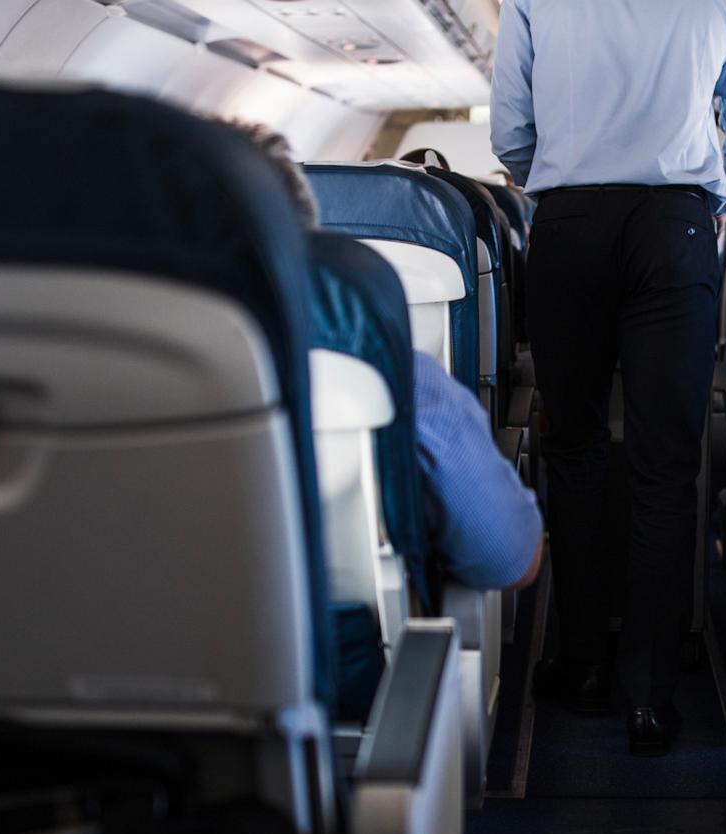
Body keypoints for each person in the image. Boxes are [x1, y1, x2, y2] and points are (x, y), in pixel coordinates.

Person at [491, 0, 726, 756]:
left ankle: (581, 663)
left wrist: (560, 185)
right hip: (674, 226)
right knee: (665, 465)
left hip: (568, 224)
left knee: (575, 447)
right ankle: (649, 697)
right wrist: (709, 201)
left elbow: (511, 130)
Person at [227, 120, 545, 719]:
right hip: (337, 681)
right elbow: (510, 559)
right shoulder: (397, 373)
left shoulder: (88, 378)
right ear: (305, 239)